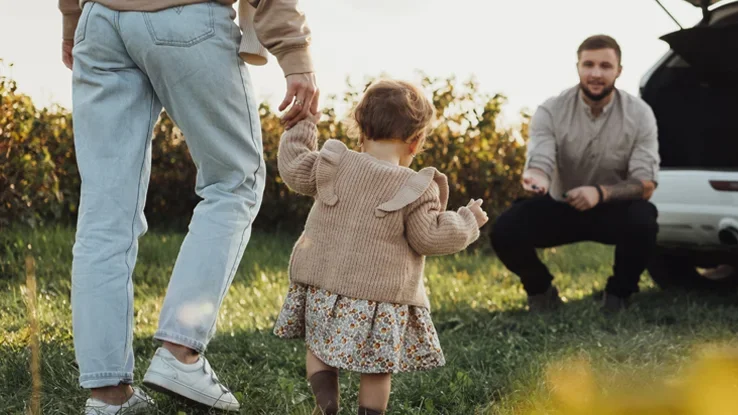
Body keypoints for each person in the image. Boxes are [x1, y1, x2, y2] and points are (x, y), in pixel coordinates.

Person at [60, 0, 318, 413]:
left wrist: (72, 18)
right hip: (184, 15)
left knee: (104, 213)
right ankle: (180, 351)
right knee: (235, 181)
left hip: (99, 19)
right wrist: (295, 55)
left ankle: (108, 396)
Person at [271, 79, 489, 415]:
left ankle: (326, 406)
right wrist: (468, 220)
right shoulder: (415, 186)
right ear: (415, 142)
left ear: (360, 128)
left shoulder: (335, 163)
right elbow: (428, 237)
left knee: (319, 347)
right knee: (376, 368)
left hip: (324, 285)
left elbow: (294, 165)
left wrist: (303, 124)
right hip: (381, 300)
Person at [490, 34, 661, 314]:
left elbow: (646, 184)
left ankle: (619, 295)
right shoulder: (551, 109)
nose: (596, 73)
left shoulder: (640, 114)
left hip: (611, 209)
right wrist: (537, 178)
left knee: (644, 218)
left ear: (619, 70)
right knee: (506, 228)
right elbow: (540, 159)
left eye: (605, 66)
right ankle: (541, 291)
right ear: (578, 67)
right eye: (588, 64)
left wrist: (600, 193)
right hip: (560, 205)